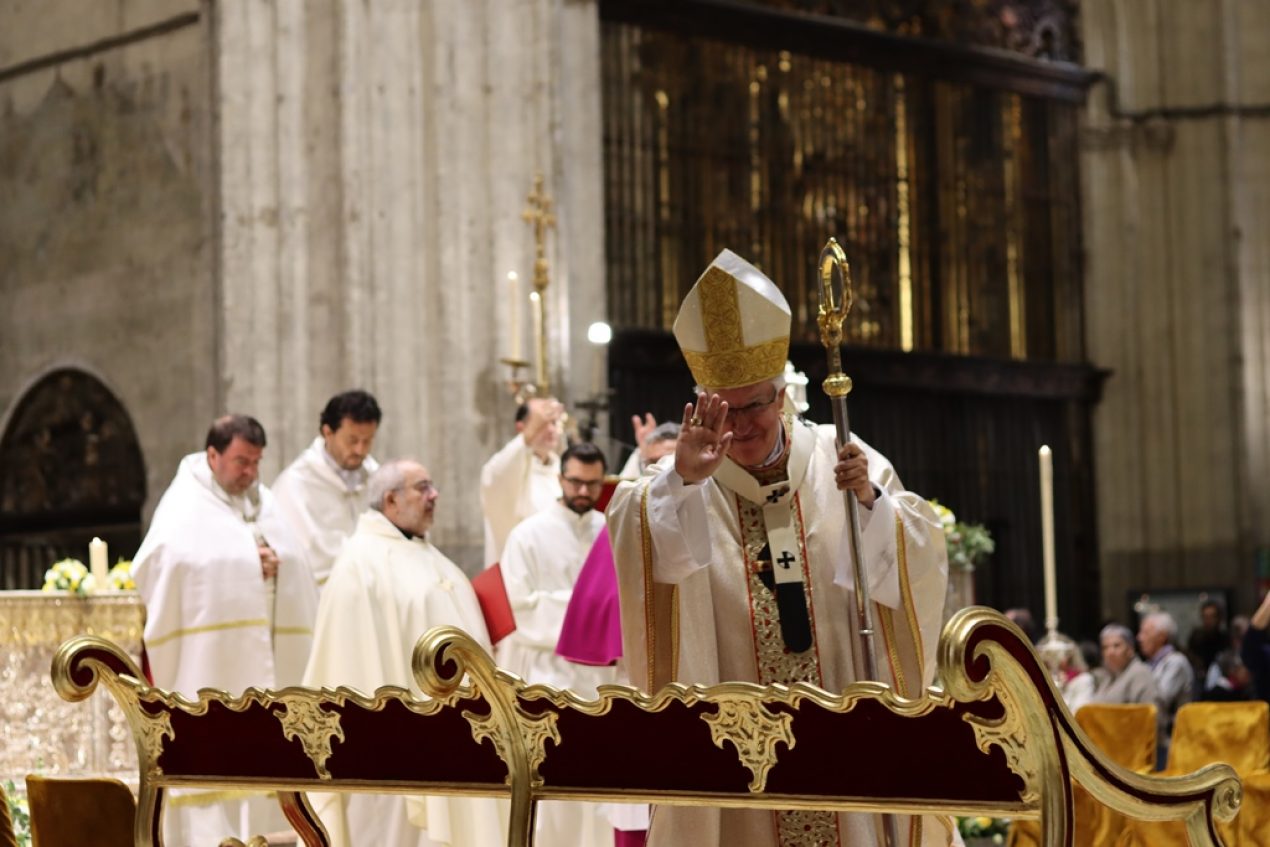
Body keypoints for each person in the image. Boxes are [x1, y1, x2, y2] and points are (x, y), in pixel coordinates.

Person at [606, 249, 951, 847]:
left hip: (838, 718)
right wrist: (682, 480)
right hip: (735, 745)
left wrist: (870, 502)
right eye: (723, 409)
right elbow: (641, 538)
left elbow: (913, 551)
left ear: (782, 396)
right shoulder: (689, 476)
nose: (740, 425)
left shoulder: (836, 456)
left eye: (755, 406)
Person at [133, 415, 318, 846]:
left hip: (271, 676)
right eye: (240, 461)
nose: (250, 472)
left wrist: (275, 562)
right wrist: (246, 562)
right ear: (213, 455)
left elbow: (296, 557)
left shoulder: (264, 501)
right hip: (213, 670)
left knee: (273, 763)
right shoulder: (185, 501)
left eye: (256, 462)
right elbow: (162, 562)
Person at [302, 459, 506, 847]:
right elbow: (352, 662)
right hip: (401, 747)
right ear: (391, 499)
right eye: (422, 487)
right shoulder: (360, 564)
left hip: (459, 734)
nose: (435, 496)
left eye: (432, 486)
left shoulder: (425, 553)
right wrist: (394, 737)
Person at [499, 441, 617, 847]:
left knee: (601, 784)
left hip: (603, 678)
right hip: (549, 679)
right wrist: (590, 609)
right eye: (576, 482)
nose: (583, 491)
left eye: (593, 483)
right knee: (555, 792)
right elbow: (522, 609)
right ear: (560, 478)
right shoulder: (527, 535)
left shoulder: (611, 529)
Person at [272, 390, 382, 590]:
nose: (360, 450)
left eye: (367, 441)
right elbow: (300, 556)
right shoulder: (295, 485)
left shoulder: (379, 479)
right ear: (327, 432)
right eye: (352, 440)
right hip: (324, 597)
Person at [480, 397, 565, 566]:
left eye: (554, 423)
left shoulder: (564, 471)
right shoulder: (508, 470)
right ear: (521, 427)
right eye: (542, 424)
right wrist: (531, 432)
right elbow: (494, 478)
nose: (550, 429)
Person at [1138, 611, 1194, 766]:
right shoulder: (1149, 664)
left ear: (1162, 636)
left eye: (1145, 632)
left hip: (1169, 744)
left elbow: (1159, 699)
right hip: (1150, 740)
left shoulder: (1176, 662)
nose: (1139, 638)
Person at [1090, 623, 1158, 706]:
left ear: (1130, 649)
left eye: (1116, 646)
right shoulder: (1108, 677)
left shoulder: (1140, 673)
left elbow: (1152, 713)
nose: (1110, 652)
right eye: (1105, 647)